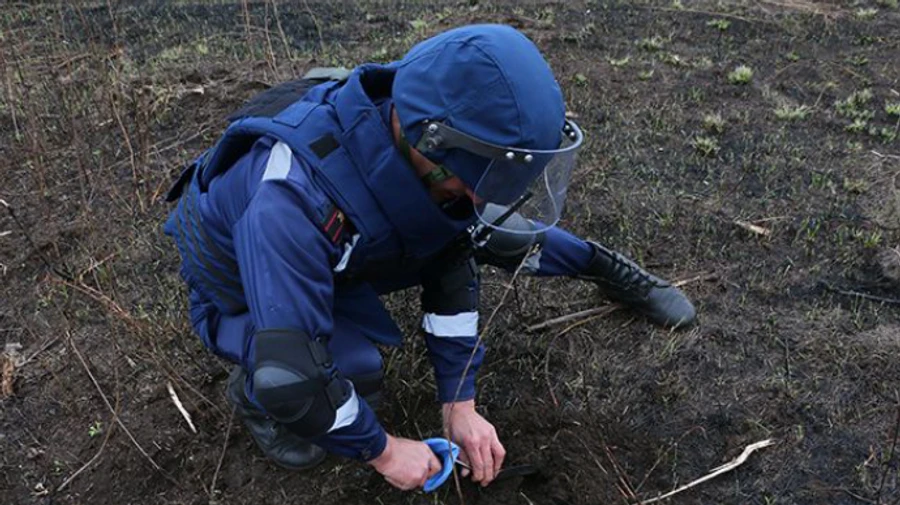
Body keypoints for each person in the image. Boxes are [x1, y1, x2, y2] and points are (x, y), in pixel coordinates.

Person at [163, 24, 695, 491]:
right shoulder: (290, 203)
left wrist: (457, 401)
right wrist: (385, 452)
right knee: (342, 369)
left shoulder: (416, 143)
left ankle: (608, 268)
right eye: (487, 178)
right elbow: (295, 375)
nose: (493, 195)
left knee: (489, 233)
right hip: (240, 288)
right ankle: (250, 393)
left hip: (339, 250)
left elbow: (451, 259)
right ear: (434, 145)